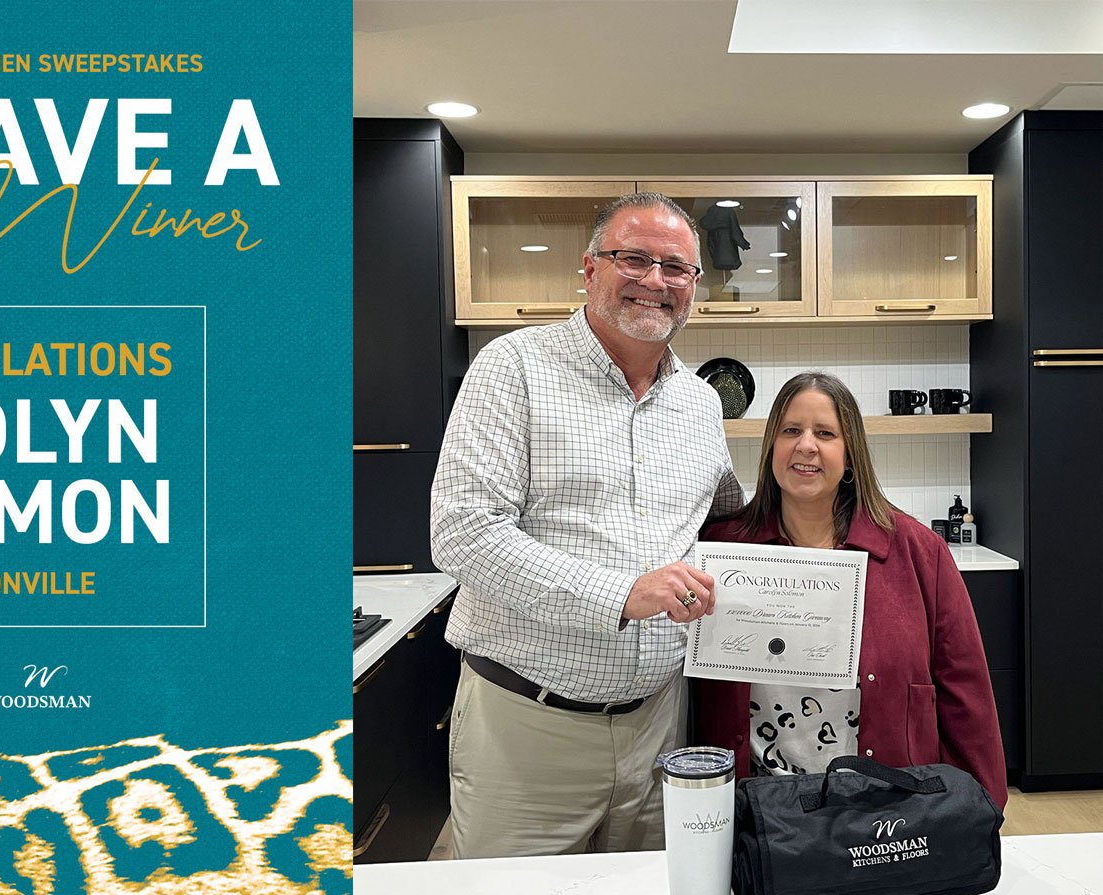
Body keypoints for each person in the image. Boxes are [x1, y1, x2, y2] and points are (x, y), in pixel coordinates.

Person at [430, 192, 744, 858]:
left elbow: (727, 522)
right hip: (526, 727)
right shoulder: (512, 367)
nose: (655, 280)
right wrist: (624, 594)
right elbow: (463, 532)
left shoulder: (700, 403)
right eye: (634, 258)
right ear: (590, 267)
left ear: (694, 285)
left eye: (676, 267)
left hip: (661, 729)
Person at [695, 371, 1007, 808]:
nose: (806, 446)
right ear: (771, 448)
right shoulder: (721, 551)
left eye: (825, 433)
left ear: (850, 456)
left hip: (882, 811)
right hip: (759, 811)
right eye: (791, 431)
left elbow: (965, 688)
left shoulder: (918, 552)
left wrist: (980, 804)